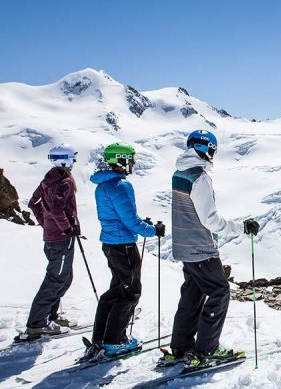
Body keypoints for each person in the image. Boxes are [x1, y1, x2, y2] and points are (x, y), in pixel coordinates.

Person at [160, 130, 259, 368]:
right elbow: (211, 220)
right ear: (208, 149)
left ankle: (181, 346)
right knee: (219, 292)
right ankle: (207, 349)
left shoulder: (179, 172)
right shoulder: (200, 178)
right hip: (201, 248)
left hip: (184, 247)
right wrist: (242, 228)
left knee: (192, 295)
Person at [83, 142, 165, 360]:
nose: (133, 164)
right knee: (130, 292)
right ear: (121, 160)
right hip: (124, 245)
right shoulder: (121, 185)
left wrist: (142, 225)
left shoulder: (103, 185)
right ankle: (115, 341)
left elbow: (120, 216)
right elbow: (130, 221)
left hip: (111, 243)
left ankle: (101, 337)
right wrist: (153, 230)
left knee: (116, 291)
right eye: (130, 159)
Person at [25, 144, 80, 337]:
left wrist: (45, 223)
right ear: (64, 161)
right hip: (61, 239)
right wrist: (66, 228)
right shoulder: (64, 181)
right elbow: (57, 209)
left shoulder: (48, 179)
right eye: (72, 159)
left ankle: (50, 316)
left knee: (63, 278)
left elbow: (34, 203)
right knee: (56, 279)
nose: (74, 163)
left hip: (52, 237)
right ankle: (37, 323)